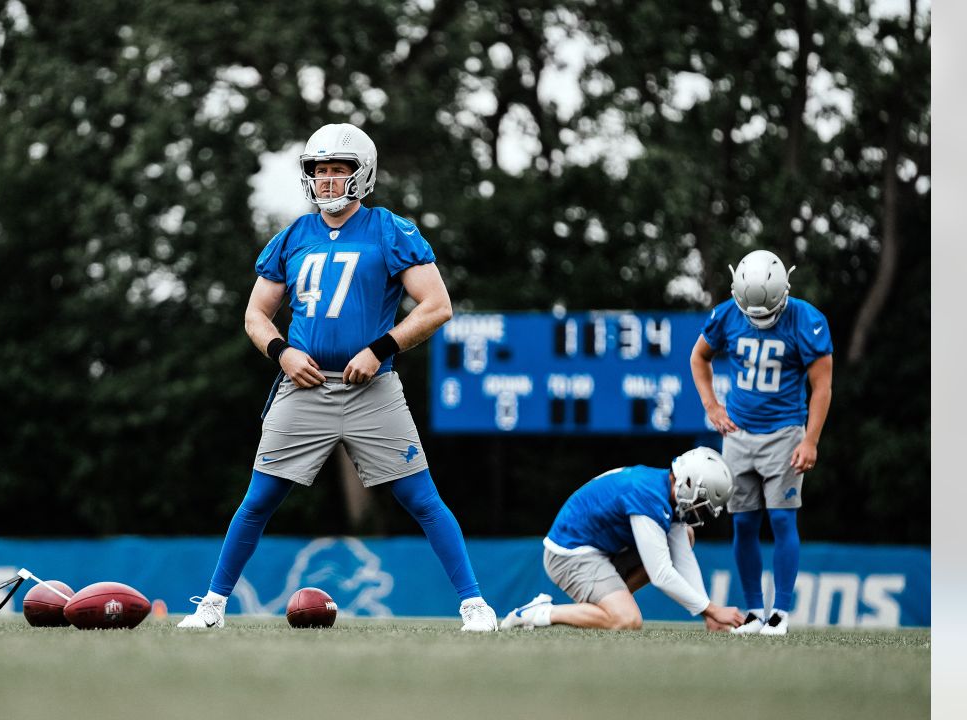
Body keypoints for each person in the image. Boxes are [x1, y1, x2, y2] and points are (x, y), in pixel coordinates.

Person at [178, 122, 498, 631]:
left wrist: (381, 347)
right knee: (259, 498)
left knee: (421, 499)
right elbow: (255, 315)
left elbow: (436, 306)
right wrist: (281, 352)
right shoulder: (292, 237)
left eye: (338, 170)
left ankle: (475, 606)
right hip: (303, 385)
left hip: (372, 388)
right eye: (320, 170)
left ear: (362, 173)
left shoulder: (390, 229)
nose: (327, 181)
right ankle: (212, 606)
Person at [689, 249, 834, 636]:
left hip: (784, 433)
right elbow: (698, 357)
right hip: (738, 434)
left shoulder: (807, 319)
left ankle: (780, 613)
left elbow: (822, 387)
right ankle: (755, 611)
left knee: (783, 518)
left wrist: (811, 439)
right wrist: (712, 406)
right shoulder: (726, 314)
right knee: (744, 524)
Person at [501, 447, 746, 632]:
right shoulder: (647, 495)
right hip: (569, 554)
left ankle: (610, 601)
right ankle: (538, 613)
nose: (699, 510)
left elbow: (682, 557)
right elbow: (661, 573)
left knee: (687, 535)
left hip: (599, 551)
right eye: (701, 501)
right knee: (626, 619)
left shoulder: (664, 491)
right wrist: (713, 609)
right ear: (689, 482)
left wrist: (708, 614)